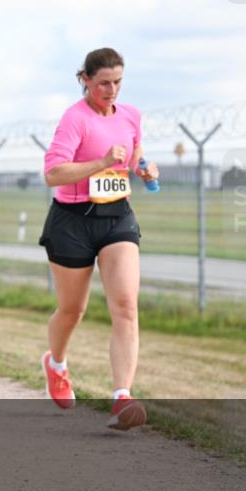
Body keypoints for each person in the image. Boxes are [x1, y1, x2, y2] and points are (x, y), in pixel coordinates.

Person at [39, 47, 158, 431]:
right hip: (72, 220)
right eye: (104, 82)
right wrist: (102, 162)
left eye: (118, 82)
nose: (112, 90)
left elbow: (134, 154)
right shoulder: (75, 119)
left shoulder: (131, 115)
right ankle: (55, 363)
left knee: (125, 305)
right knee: (72, 310)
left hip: (117, 217)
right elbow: (53, 173)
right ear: (85, 80)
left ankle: (122, 396)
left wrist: (144, 167)